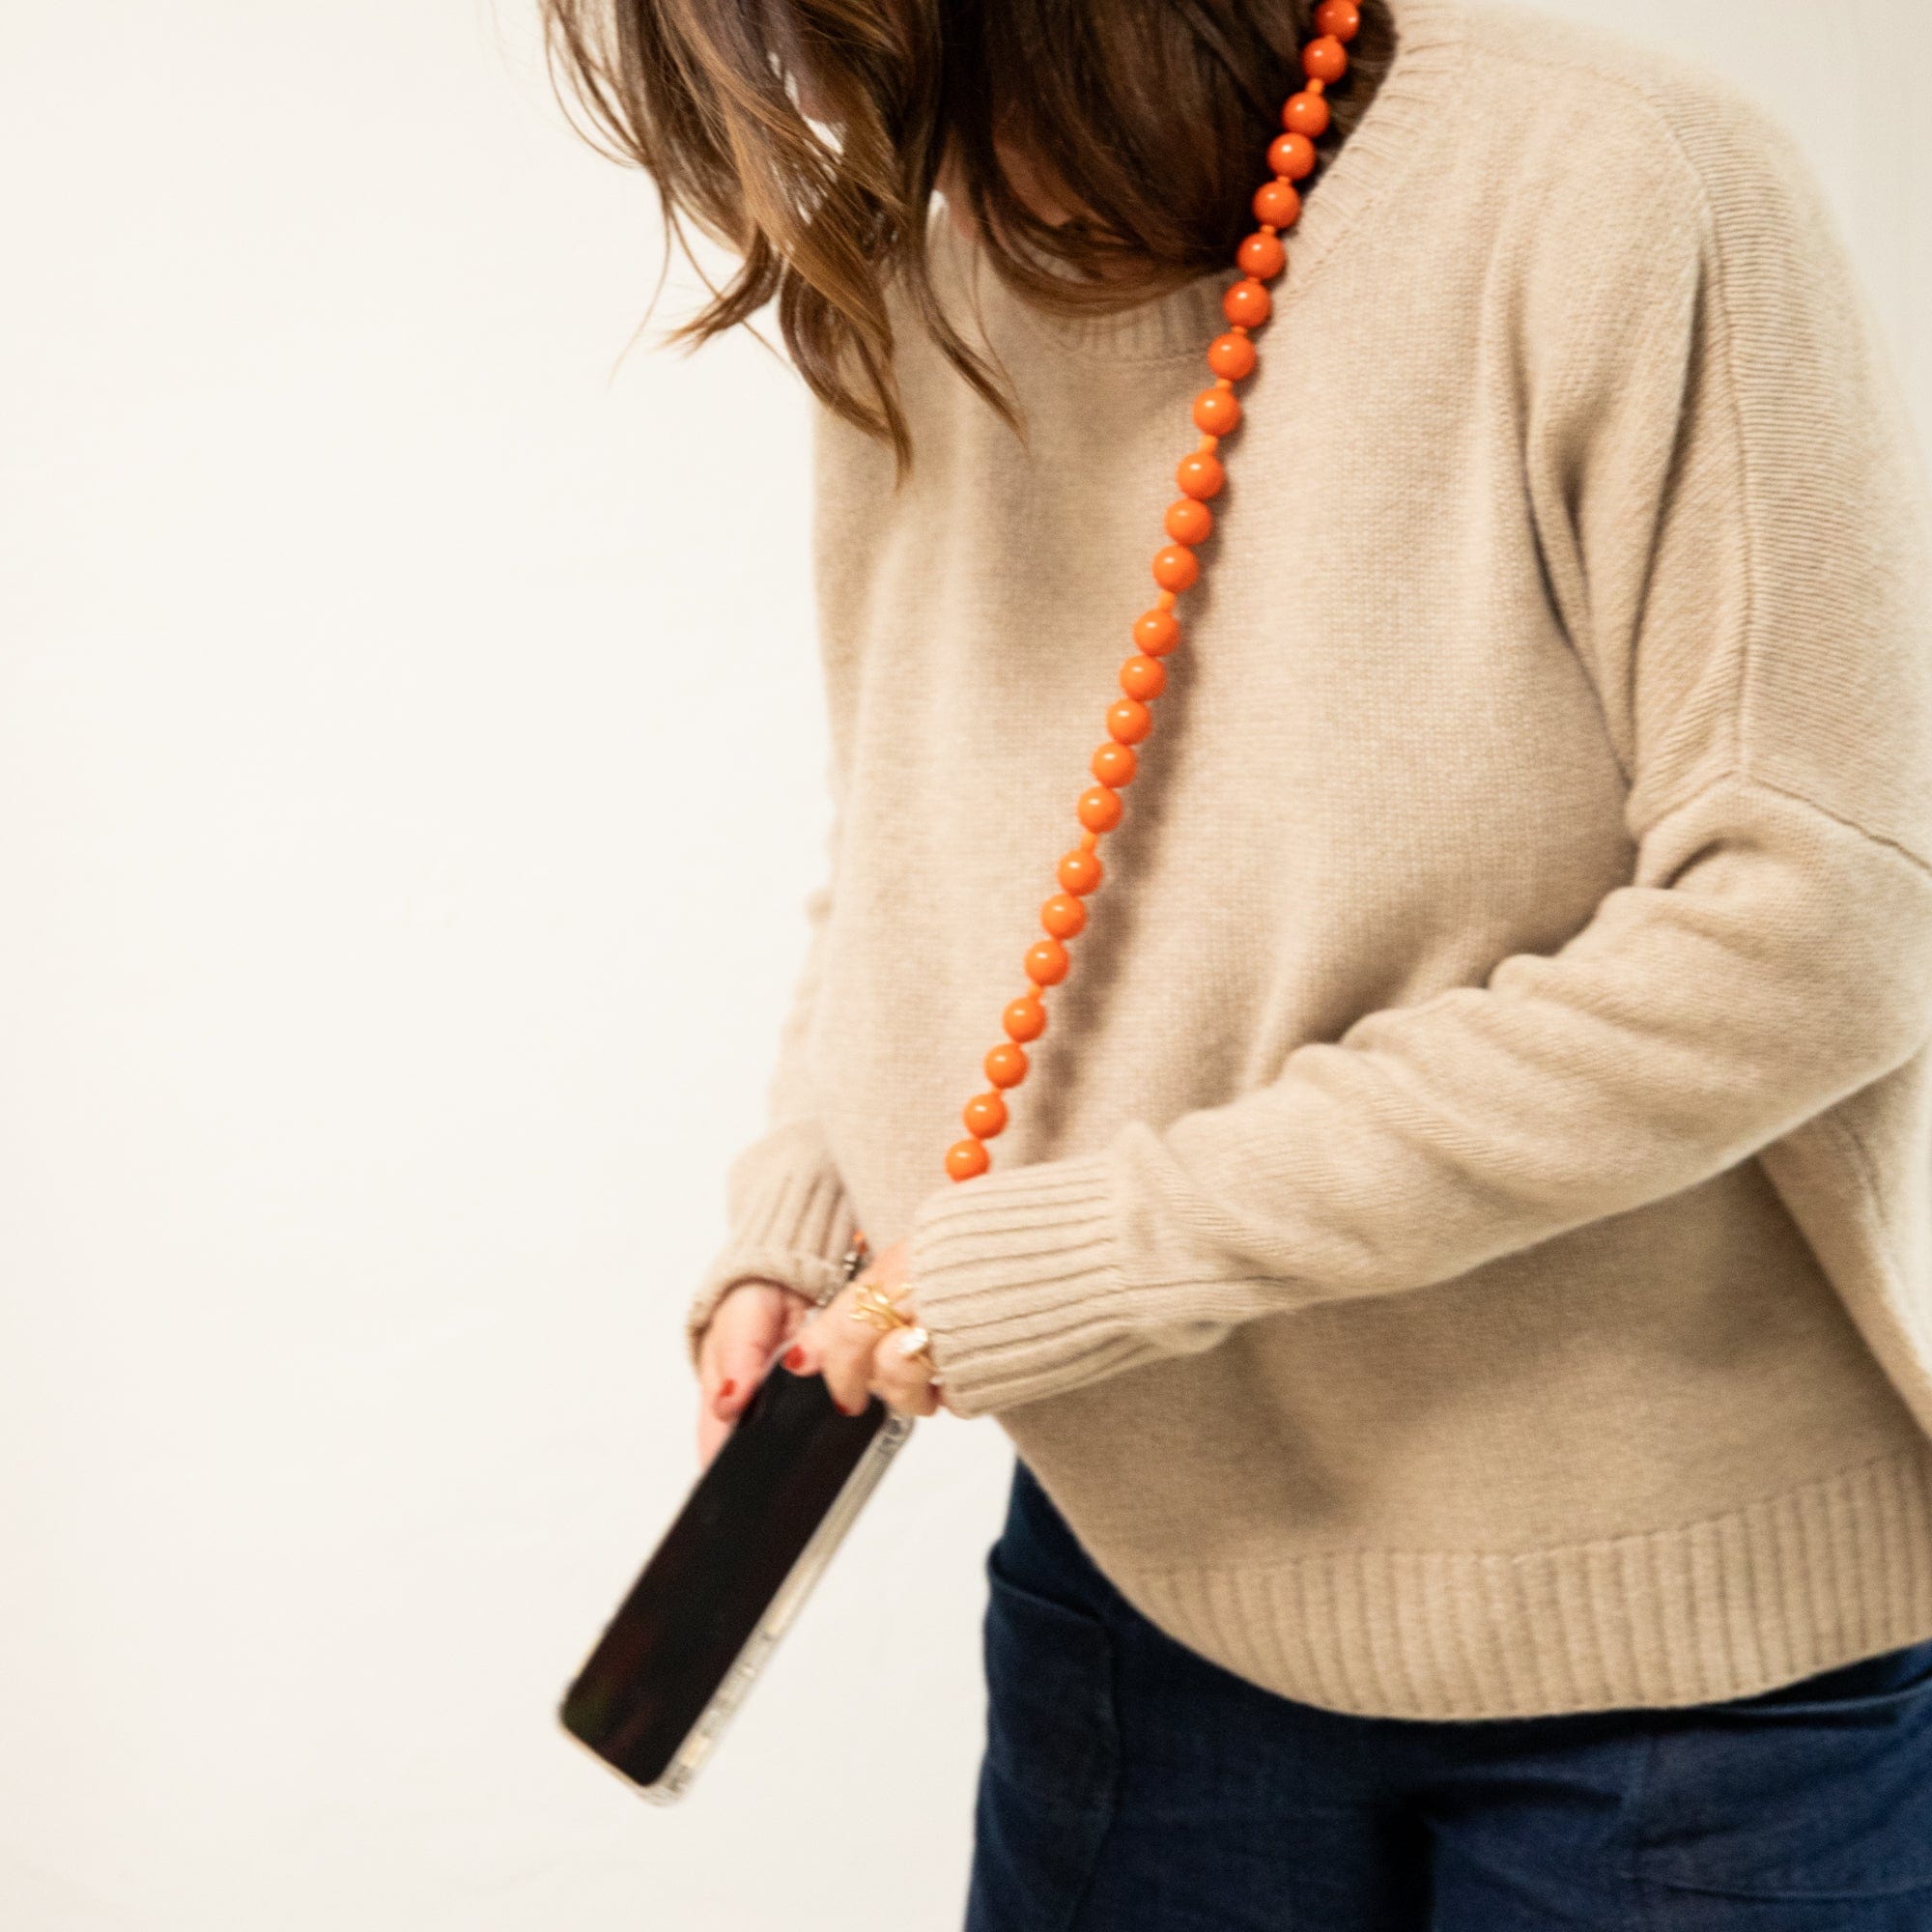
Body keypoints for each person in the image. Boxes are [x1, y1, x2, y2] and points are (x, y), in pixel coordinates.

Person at [545, 0, 1932, 1920]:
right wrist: (815, 1212)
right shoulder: (920, 285)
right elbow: (915, 849)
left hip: (1680, 1689)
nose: (803, 101)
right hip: (1133, 1598)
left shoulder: (1613, 180)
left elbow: (1814, 922)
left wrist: (1106, 1251)